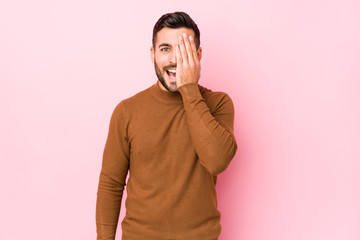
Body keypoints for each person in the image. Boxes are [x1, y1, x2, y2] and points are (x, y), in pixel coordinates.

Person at [96, 11, 237, 240]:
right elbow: (111, 184)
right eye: (165, 49)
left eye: (184, 50)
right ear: (152, 54)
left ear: (198, 55)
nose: (174, 59)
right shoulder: (127, 111)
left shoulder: (218, 103)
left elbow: (217, 161)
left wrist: (189, 89)